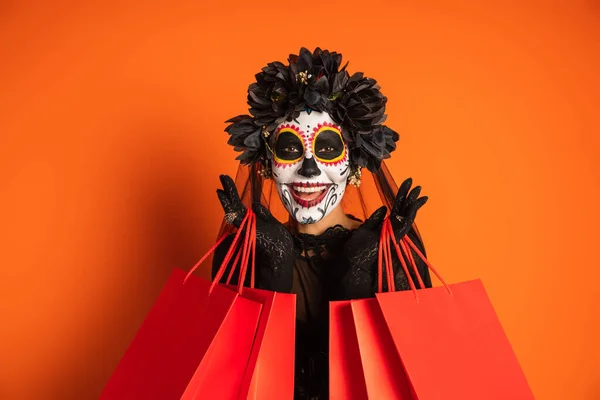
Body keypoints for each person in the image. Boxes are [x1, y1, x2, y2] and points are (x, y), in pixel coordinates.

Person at [211, 47, 432, 399]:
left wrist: (357, 270)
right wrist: (274, 262)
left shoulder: (387, 253)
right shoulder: (245, 252)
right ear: (267, 163)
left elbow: (415, 373)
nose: (309, 169)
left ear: (355, 164)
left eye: (328, 149)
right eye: (289, 149)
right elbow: (228, 379)